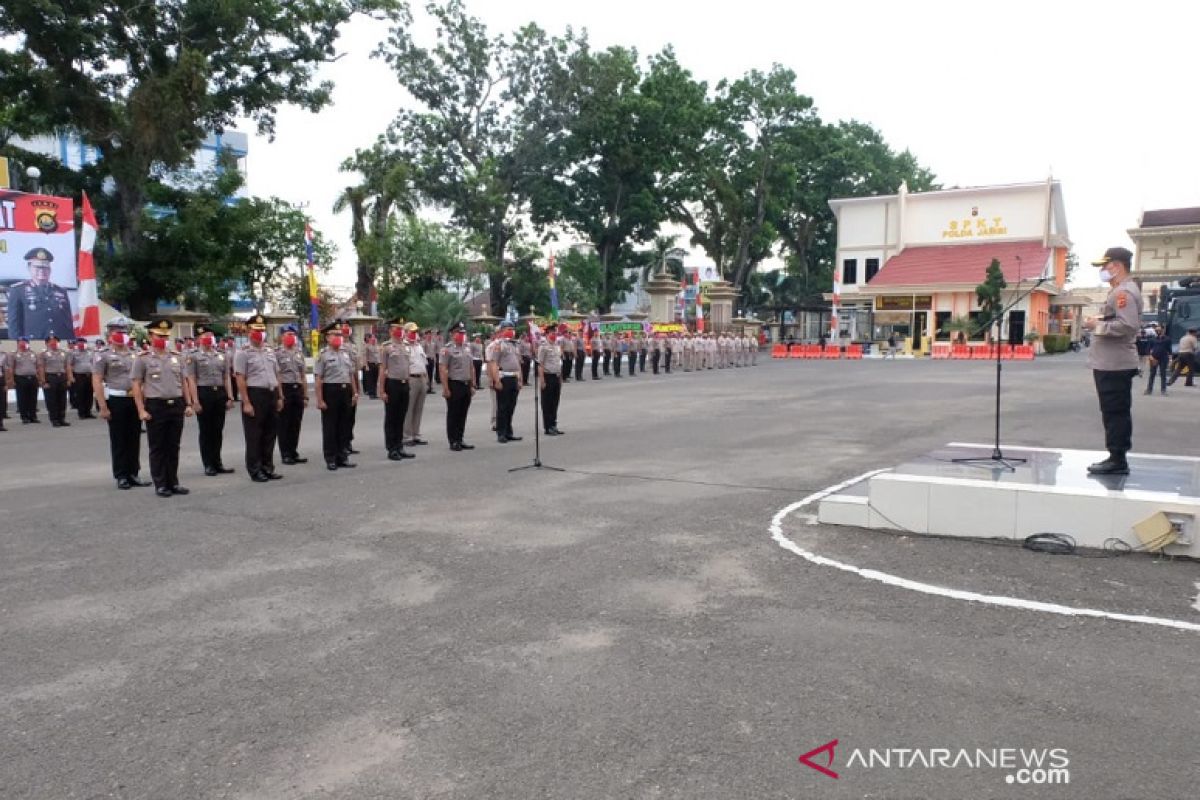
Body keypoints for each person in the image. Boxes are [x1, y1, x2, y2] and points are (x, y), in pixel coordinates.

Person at [1083, 247, 1142, 476]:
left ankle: (1117, 458)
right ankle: (1116, 456)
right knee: (1112, 410)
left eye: (1105, 266)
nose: (1102, 271)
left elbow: (1127, 326)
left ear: (1117, 266)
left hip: (1115, 363)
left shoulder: (1123, 293)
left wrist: (1095, 326)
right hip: (1111, 362)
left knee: (1115, 411)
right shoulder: (1120, 290)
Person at [132, 318, 193, 497]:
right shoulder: (142, 359)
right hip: (155, 406)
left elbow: (184, 381)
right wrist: (141, 409)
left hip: (176, 404)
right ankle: (161, 483)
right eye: (159, 335)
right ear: (150, 336)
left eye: (166, 335)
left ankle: (173, 481)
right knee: (158, 447)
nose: (163, 338)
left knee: (173, 446)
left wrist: (188, 404)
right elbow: (136, 384)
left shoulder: (177, 357)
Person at [93, 317, 149, 489]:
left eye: (124, 332)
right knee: (119, 439)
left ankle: (134, 473)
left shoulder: (136, 354)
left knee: (134, 438)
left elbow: (143, 379)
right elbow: (97, 380)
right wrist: (102, 406)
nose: (122, 335)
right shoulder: (103, 355)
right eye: (118, 332)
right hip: (116, 399)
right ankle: (121, 475)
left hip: (135, 399)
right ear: (110, 334)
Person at [234, 314, 284, 482]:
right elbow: (240, 378)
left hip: (271, 393)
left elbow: (277, 374)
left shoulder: (270, 351)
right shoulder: (243, 353)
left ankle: (268, 467)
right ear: (249, 331)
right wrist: (246, 401)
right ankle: (255, 470)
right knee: (254, 435)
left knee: (270, 434)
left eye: (262, 330)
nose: (260, 333)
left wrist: (279, 397)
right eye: (257, 330)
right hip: (255, 395)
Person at [188, 324, 235, 476]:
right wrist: (195, 401)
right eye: (204, 336)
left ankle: (217, 462)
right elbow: (192, 379)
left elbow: (226, 376)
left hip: (219, 393)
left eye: (210, 335)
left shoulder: (222, 354)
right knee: (206, 430)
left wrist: (230, 396)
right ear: (198, 339)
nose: (208, 338)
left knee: (218, 430)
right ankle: (208, 463)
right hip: (204, 393)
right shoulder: (194, 356)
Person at [314, 321, 358, 470]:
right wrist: (319, 399)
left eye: (340, 335)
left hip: (345, 391)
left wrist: (354, 392)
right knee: (330, 426)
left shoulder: (346, 353)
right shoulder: (323, 355)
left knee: (344, 425)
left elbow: (351, 374)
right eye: (335, 335)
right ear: (327, 337)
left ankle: (342, 456)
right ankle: (331, 457)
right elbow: (318, 379)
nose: (339, 337)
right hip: (330, 391)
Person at [6, 247, 74, 341]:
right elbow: (14, 326)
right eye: (37, 267)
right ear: (29, 268)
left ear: (50, 270)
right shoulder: (18, 291)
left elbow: (68, 323)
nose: (42, 271)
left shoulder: (61, 291)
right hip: (33, 346)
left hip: (59, 345)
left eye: (45, 267)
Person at [377, 318, 417, 462]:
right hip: (392, 384)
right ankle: (391, 448)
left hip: (404, 384)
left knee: (401, 417)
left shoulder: (406, 346)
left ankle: (400, 446)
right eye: (396, 328)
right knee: (391, 418)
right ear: (390, 331)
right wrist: (382, 390)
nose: (400, 331)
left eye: (401, 328)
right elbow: (382, 369)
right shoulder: (386, 347)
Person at [440, 322, 477, 451]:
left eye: (463, 333)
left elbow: (471, 367)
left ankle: (460, 439)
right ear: (452, 334)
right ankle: (453, 440)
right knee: (453, 414)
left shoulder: (467, 348)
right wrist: (445, 388)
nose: (461, 335)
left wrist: (473, 384)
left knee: (463, 414)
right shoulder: (447, 349)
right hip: (454, 384)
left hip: (466, 384)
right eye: (459, 333)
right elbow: (443, 369)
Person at [275, 324, 308, 465]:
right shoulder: (277, 353)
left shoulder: (299, 353)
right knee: (284, 423)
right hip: (285, 389)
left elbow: (303, 375)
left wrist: (305, 395)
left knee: (296, 423)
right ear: (281, 336)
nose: (291, 337)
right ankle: (285, 454)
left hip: (297, 389)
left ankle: (293, 452)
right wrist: (280, 396)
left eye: (293, 335)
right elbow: (277, 376)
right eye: (288, 334)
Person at [489, 320, 524, 443]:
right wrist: (496, 380)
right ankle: (501, 433)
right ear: (502, 331)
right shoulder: (498, 345)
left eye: (512, 329)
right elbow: (493, 363)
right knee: (502, 407)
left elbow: (518, 363)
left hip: (514, 377)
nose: (511, 331)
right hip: (504, 377)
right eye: (508, 329)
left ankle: (509, 432)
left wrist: (520, 379)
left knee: (511, 406)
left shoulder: (514, 345)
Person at [37, 334, 72, 426]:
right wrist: (43, 381)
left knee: (62, 399)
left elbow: (67, 366)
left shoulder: (64, 353)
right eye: (51, 342)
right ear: (47, 343)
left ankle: (62, 418)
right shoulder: (43, 354)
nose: (54, 343)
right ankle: (54, 419)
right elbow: (41, 368)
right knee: (52, 400)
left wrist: (69, 378)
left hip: (62, 377)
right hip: (50, 377)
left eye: (56, 342)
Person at [403, 323, 429, 446]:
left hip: (422, 378)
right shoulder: (404, 346)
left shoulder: (419, 346)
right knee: (409, 408)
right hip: (411, 379)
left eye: (416, 331)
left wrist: (427, 380)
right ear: (406, 332)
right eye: (412, 331)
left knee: (419, 408)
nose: (414, 333)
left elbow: (423, 363)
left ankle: (416, 434)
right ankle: (407, 436)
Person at [538, 324, 565, 436]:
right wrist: (542, 380)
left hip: (556, 376)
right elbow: (540, 364)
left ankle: (554, 425)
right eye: (552, 333)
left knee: (555, 403)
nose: (554, 335)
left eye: (555, 333)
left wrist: (561, 378)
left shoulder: (557, 347)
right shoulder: (543, 347)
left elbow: (559, 363)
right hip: (547, 376)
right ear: (547, 334)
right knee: (547, 403)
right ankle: (548, 427)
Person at [68, 338, 96, 418]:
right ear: (77, 344)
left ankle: (88, 412)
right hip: (79, 375)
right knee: (80, 394)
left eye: (83, 342)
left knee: (89, 394)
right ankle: (81, 413)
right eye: (80, 343)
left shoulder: (91, 352)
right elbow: (69, 365)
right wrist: (70, 376)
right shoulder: (73, 353)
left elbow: (94, 363)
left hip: (90, 375)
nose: (81, 344)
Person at [1145, 325, 1171, 396]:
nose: (1158, 331)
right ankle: (1149, 390)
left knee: (1163, 374)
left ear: (1163, 330)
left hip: (1164, 358)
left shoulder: (1167, 339)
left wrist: (1170, 359)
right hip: (1154, 358)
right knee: (1152, 374)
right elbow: (1147, 349)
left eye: (1159, 330)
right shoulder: (1152, 339)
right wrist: (1150, 357)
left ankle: (1163, 390)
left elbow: (1169, 350)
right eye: (1157, 330)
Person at [362, 333, 381, 399]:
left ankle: (375, 393)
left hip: (377, 365)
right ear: (370, 339)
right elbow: (365, 356)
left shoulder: (377, 347)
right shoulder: (367, 346)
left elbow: (379, 356)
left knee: (375, 379)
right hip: (370, 364)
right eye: (372, 338)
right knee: (370, 380)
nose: (374, 339)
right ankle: (371, 394)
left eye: (375, 338)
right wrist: (366, 365)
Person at [0, 346, 10, 431]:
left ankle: (0, 424)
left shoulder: (3, 355)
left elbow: (5, 369)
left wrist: (6, 383)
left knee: (1, 402)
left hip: (0, 379)